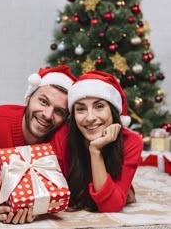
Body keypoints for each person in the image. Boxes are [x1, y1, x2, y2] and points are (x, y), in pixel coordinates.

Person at [0, 65, 76, 223]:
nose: (48, 115)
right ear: (29, 97)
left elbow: (69, 193)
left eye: (59, 111)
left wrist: (39, 205)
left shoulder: (61, 140)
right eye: (43, 101)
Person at [51, 70, 143, 213]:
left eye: (99, 106)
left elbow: (110, 207)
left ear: (113, 110)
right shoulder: (62, 136)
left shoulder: (131, 141)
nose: (90, 118)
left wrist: (95, 151)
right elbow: (56, 195)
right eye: (81, 109)